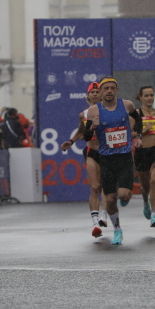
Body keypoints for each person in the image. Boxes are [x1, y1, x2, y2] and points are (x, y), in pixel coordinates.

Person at [83, 76, 143, 245]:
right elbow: (86, 136)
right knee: (109, 200)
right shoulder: (94, 111)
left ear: (116, 90)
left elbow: (138, 119)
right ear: (101, 91)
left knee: (124, 194)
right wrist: (92, 126)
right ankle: (117, 228)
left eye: (112, 88)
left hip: (123, 157)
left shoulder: (126, 105)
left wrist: (137, 135)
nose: (109, 91)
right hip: (106, 159)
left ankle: (124, 197)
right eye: (106, 88)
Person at [61, 82, 107, 238]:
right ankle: (95, 224)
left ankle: (104, 216)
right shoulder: (84, 114)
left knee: (106, 187)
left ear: (101, 94)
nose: (95, 94)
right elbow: (81, 131)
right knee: (94, 187)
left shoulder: (109, 111)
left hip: (107, 152)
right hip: (91, 151)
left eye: (97, 91)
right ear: (88, 96)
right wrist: (71, 141)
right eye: (92, 92)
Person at [134, 85, 155, 228]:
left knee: (154, 180)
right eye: (146, 95)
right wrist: (141, 131)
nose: (149, 98)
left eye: (151, 95)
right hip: (141, 152)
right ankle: (145, 201)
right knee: (145, 186)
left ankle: (154, 214)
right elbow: (130, 132)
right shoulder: (135, 113)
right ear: (140, 97)